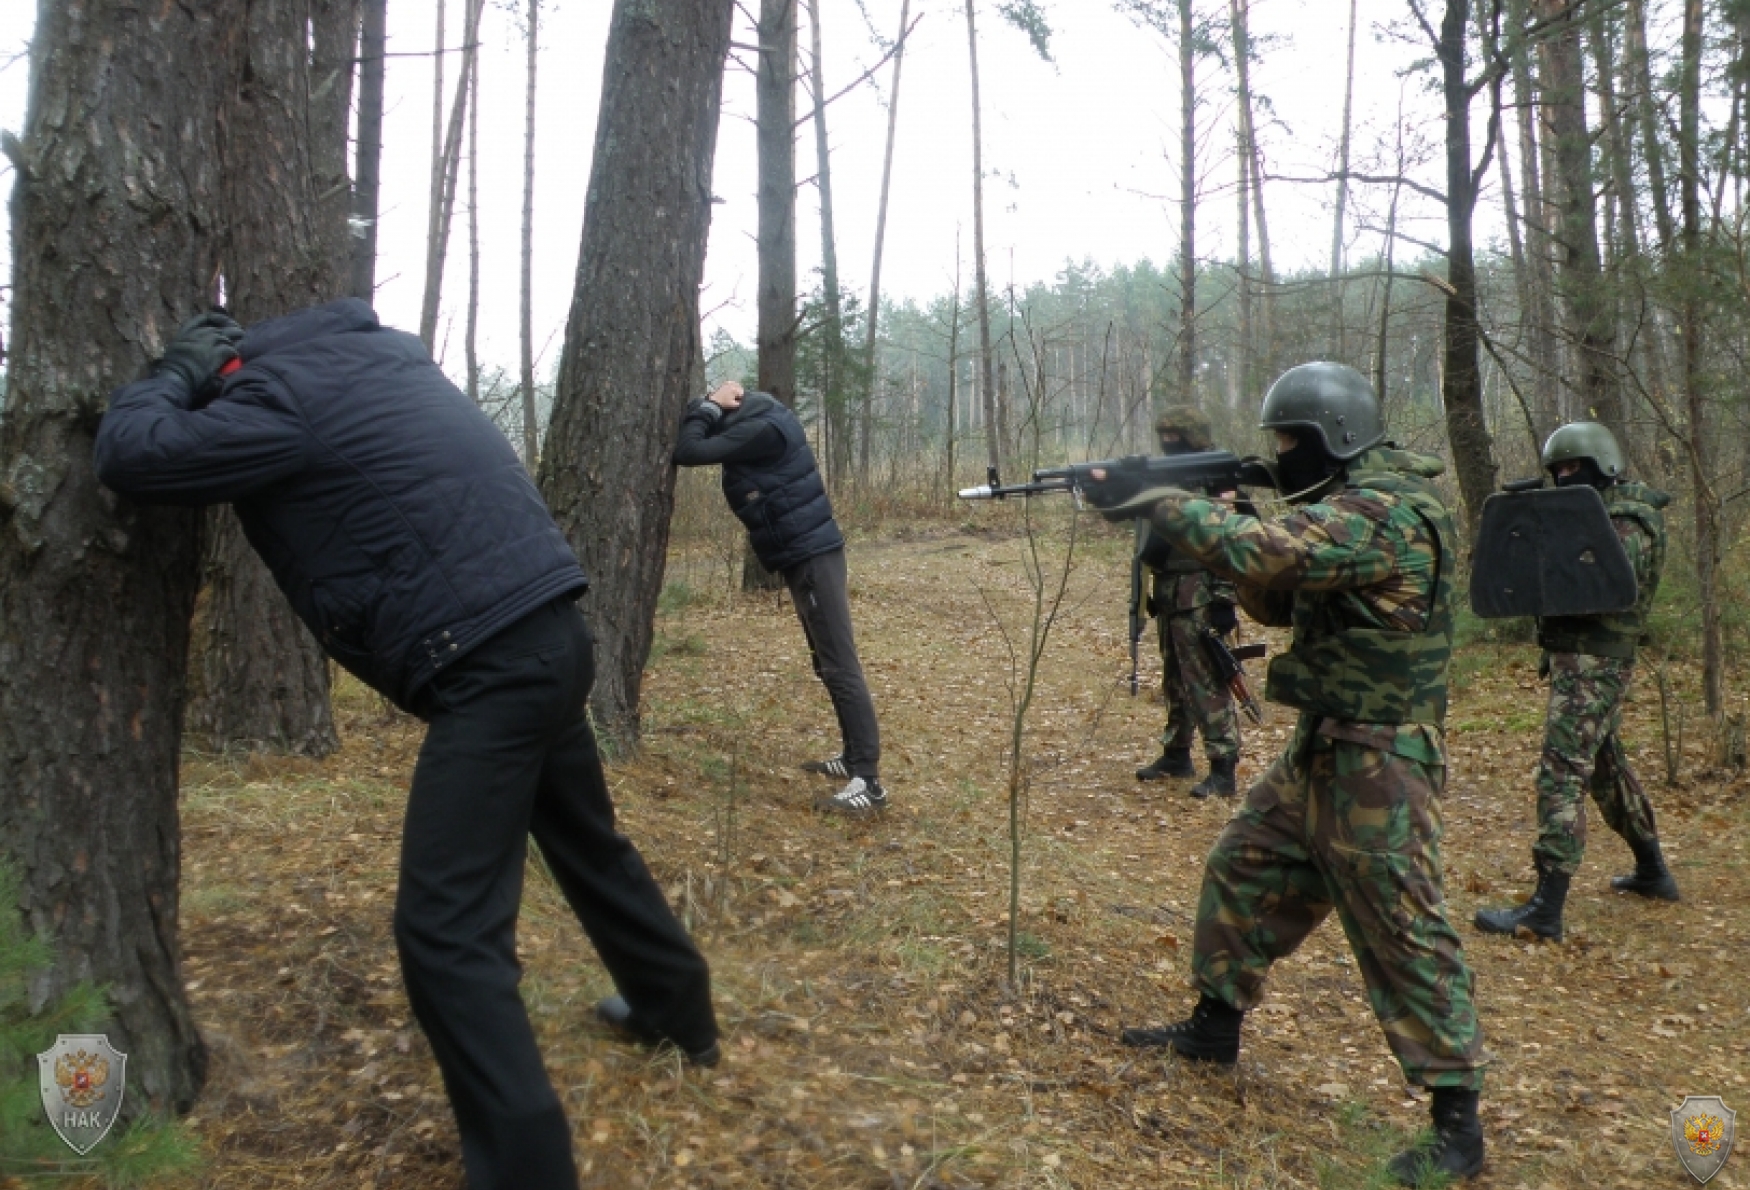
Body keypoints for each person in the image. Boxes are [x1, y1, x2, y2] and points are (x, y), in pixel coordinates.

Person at [94, 301, 718, 1190]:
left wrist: (168, 377)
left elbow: (131, 455)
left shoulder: (275, 397)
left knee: (445, 931)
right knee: (585, 839)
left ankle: (527, 1170)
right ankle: (676, 1008)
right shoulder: (381, 364)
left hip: (490, 665)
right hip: (551, 635)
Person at [1105, 363, 1485, 1187]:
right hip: (1326, 741)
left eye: (1290, 441)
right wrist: (1228, 513)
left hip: (1383, 757)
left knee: (1402, 927)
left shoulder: (1388, 510)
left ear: (1334, 439)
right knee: (1245, 865)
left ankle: (1458, 1121)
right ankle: (1214, 1026)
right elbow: (1276, 596)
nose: (1279, 454)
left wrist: (1160, 501)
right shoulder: (1340, 508)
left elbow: (1271, 550)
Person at [1474, 422, 1678, 943]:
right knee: (1606, 768)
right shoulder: (1575, 513)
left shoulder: (1634, 517)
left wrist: (1556, 533)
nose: (1565, 477)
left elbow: (1605, 579)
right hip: (1579, 661)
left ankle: (1547, 907)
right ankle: (1652, 869)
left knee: (1562, 772)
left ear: (1602, 465)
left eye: (1574, 468)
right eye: (1558, 470)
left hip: (1598, 662)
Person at [673, 380, 887, 817]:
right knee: (825, 662)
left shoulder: (761, 431)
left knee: (840, 664)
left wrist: (707, 409)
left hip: (812, 557)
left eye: (722, 407)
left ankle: (869, 781)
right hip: (806, 555)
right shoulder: (761, 420)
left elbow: (690, 451)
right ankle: (851, 758)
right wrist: (711, 408)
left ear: (735, 407)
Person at [1133, 405, 1244, 797]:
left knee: (1206, 679)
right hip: (1169, 592)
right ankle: (1177, 753)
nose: (1168, 444)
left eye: (1176, 437)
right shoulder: (1167, 477)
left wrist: (1223, 599)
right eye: (1164, 436)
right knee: (1175, 679)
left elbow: (1233, 541)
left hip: (1200, 593)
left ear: (1193, 437)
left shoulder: (1217, 476)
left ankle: (1223, 766)